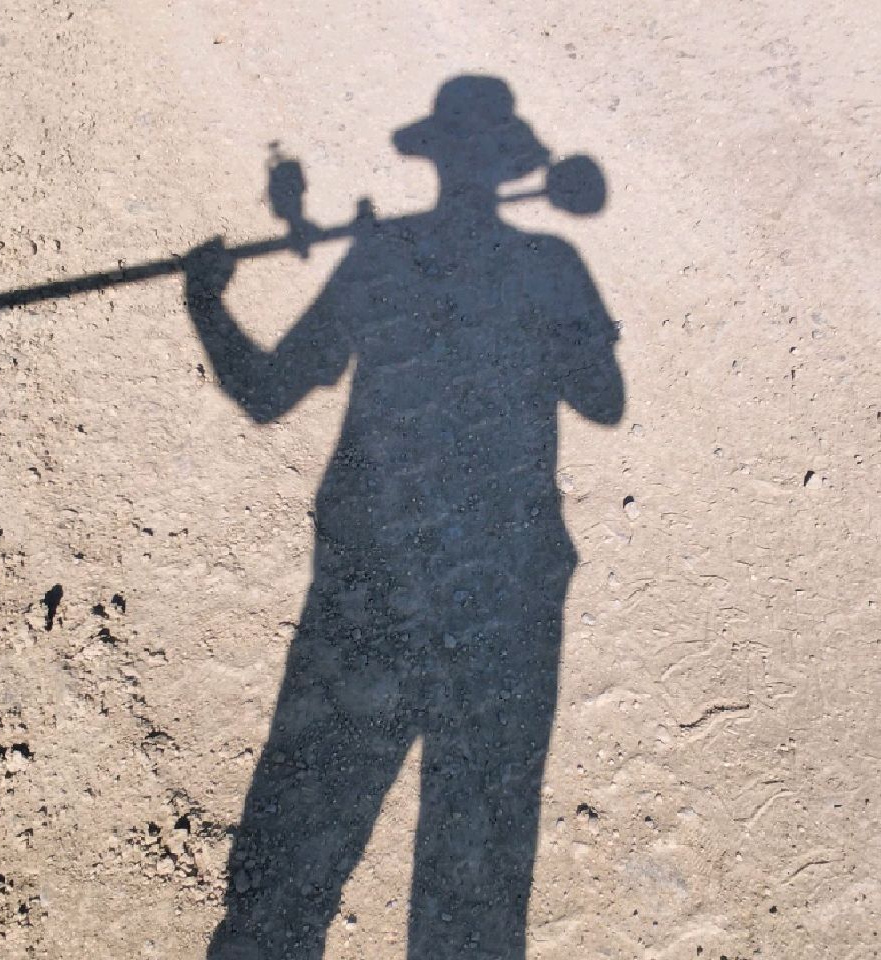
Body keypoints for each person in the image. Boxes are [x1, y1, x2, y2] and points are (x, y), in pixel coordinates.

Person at [185, 74, 624, 960]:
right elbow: (603, 401)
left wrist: (206, 300)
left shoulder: (381, 255)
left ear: (439, 161)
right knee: (475, 884)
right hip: (506, 599)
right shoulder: (551, 264)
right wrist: (557, 320)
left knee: (291, 865)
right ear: (508, 166)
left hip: (368, 582)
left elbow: (267, 392)